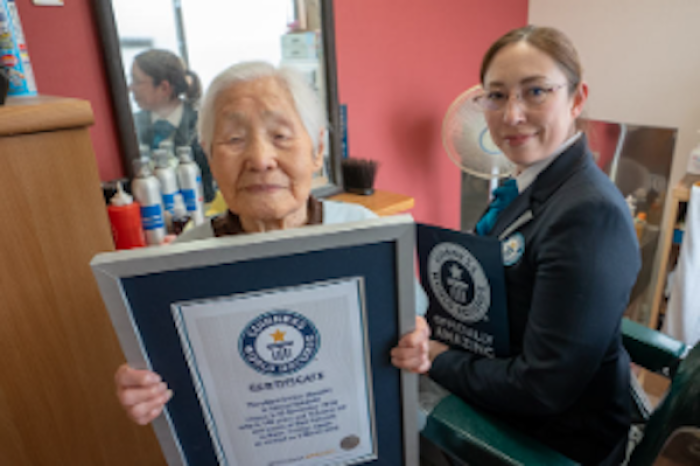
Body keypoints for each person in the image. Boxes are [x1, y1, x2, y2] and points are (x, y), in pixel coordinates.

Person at [115, 61, 428, 425]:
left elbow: (413, 322)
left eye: (280, 136)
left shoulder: (368, 237)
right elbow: (171, 373)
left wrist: (416, 343)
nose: (261, 160)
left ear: (317, 149)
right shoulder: (184, 261)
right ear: (209, 157)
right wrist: (145, 389)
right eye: (234, 139)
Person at [392, 26, 641, 465]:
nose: (512, 115)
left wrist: (437, 355)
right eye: (497, 95)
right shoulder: (528, 187)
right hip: (499, 376)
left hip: (553, 439)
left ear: (577, 98)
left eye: (536, 92)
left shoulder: (587, 216)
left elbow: (543, 389)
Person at [129, 49, 215, 202]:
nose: (131, 88)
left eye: (137, 81)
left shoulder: (202, 125)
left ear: (164, 88)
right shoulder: (131, 127)